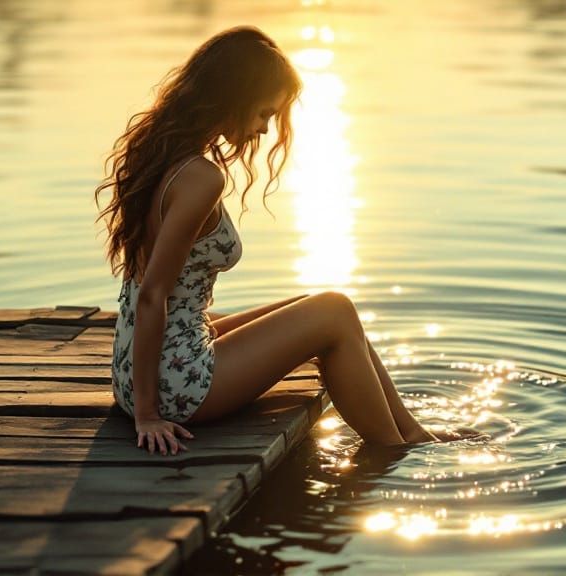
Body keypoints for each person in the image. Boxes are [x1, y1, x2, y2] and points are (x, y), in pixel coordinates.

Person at [95, 25, 473, 456]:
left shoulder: (161, 156)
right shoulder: (201, 178)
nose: (264, 130)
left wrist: (139, 398)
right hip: (175, 386)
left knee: (323, 306)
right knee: (334, 310)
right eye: (263, 114)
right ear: (234, 98)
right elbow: (152, 295)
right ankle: (392, 447)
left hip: (139, 369)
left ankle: (413, 433)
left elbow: (151, 292)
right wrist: (148, 413)